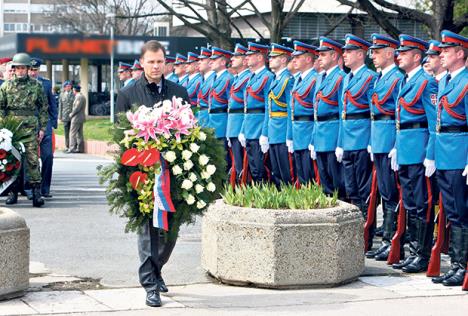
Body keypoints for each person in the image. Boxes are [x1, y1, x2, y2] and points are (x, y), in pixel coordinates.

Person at [115, 40, 190, 308]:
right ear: (142, 63)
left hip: (174, 170)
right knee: (148, 228)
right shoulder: (128, 93)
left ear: (165, 62)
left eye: (160, 61)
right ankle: (150, 284)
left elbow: (190, 128)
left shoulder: (179, 92)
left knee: (171, 229)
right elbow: (120, 134)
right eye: (151, 62)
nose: (156, 66)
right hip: (143, 170)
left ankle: (157, 271)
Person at [391, 35, 438, 273]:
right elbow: (400, 121)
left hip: (419, 149)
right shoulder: (405, 81)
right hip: (406, 148)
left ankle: (422, 254)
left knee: (422, 203)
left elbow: (433, 123)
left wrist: (430, 154)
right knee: (409, 202)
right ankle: (413, 251)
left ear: (417, 56)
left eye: (404, 52)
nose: (398, 55)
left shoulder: (426, 82)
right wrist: (397, 148)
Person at [431, 30, 467, 286]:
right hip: (444, 153)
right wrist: (432, 155)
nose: (441, 54)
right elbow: (438, 123)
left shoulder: (465, 82)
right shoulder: (445, 82)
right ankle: (456, 264)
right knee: (452, 212)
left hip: (459, 154)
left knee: (461, 211)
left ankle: (462, 266)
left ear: (460, 53)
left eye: (446, 50)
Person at [366, 34, 405, 261]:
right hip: (378, 137)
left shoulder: (396, 79)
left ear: (390, 53)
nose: (373, 56)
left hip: (389, 136)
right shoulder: (380, 79)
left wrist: (394, 144)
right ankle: (387, 241)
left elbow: (397, 114)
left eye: (377, 52)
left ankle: (393, 241)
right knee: (384, 192)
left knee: (391, 193)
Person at [337, 34, 377, 249]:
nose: (344, 54)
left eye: (349, 51)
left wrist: (371, 140)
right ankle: (354, 234)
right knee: (351, 188)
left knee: (363, 190)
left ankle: (366, 236)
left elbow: (374, 112)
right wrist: (340, 142)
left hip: (362, 138)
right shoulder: (347, 78)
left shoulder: (369, 77)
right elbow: (343, 112)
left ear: (360, 54)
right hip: (348, 139)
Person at [0, 52, 48, 207]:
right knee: (13, 161)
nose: (21, 71)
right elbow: (1, 108)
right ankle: (13, 192)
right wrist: (3, 128)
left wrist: (42, 128)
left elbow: (43, 108)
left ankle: (36, 194)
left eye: (23, 68)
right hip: (12, 129)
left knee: (33, 161)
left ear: (28, 69)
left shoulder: (36, 86)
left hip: (30, 128)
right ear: (14, 69)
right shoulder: (6, 86)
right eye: (18, 68)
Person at [311, 37, 346, 199]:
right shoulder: (320, 77)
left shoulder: (341, 77)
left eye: (323, 55)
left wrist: (340, 143)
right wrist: (313, 139)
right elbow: (315, 111)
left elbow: (342, 112)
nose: (319, 58)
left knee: (337, 182)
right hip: (320, 134)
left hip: (332, 134)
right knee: (324, 181)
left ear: (334, 56)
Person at [238, 42, 274, 183]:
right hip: (250, 128)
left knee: (261, 170)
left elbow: (268, 107)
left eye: (250, 55)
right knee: (253, 169)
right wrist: (243, 130)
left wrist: (264, 133)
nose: (247, 58)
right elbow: (247, 108)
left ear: (260, 58)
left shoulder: (267, 77)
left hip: (259, 128)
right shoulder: (252, 78)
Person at [287, 41, 319, 185]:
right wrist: (290, 136)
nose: (293, 60)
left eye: (297, 57)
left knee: (310, 176)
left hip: (308, 130)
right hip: (297, 130)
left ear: (308, 59)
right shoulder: (297, 80)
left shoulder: (315, 79)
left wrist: (313, 139)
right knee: (301, 175)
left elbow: (317, 110)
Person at [265, 43, 295, 186]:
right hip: (273, 131)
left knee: (286, 173)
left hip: (282, 130)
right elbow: (268, 110)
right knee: (276, 172)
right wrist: (265, 134)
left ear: (283, 60)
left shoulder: (288, 80)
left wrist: (289, 135)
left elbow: (290, 110)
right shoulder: (275, 79)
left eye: (274, 57)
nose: (270, 59)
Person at [29, 58, 58, 198]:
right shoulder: (22, 84)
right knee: (29, 158)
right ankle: (30, 188)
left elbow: (52, 104)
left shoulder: (46, 84)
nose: (33, 73)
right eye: (31, 70)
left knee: (48, 157)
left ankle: (44, 188)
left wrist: (52, 124)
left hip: (44, 125)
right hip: (27, 125)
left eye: (35, 70)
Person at [226, 44, 250, 184]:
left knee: (243, 163)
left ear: (245, 60)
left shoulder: (246, 77)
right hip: (233, 124)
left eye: (236, 56)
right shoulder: (237, 78)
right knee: (237, 162)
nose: (232, 59)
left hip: (240, 123)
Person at [207, 47, 233, 140]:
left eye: (214, 60)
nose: (210, 62)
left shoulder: (228, 78)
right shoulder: (214, 77)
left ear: (222, 62)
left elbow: (231, 103)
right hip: (212, 120)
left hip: (222, 122)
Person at [197, 47, 215, 127]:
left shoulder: (213, 78)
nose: (199, 62)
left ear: (210, 62)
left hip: (209, 118)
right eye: (199, 60)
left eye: (202, 60)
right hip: (202, 117)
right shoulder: (203, 78)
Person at [67, 85, 86, 153]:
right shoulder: (81, 96)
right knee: (79, 134)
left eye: (73, 90)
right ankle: (80, 148)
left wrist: (71, 114)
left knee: (72, 133)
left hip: (76, 118)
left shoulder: (79, 97)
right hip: (80, 117)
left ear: (74, 90)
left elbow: (77, 108)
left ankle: (72, 148)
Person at [58, 81, 74, 151]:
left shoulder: (73, 94)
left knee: (72, 132)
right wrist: (60, 116)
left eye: (69, 86)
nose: (68, 87)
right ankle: (67, 146)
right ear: (64, 88)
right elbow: (60, 106)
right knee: (66, 132)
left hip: (72, 115)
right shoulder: (62, 95)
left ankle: (72, 146)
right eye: (66, 86)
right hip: (65, 116)